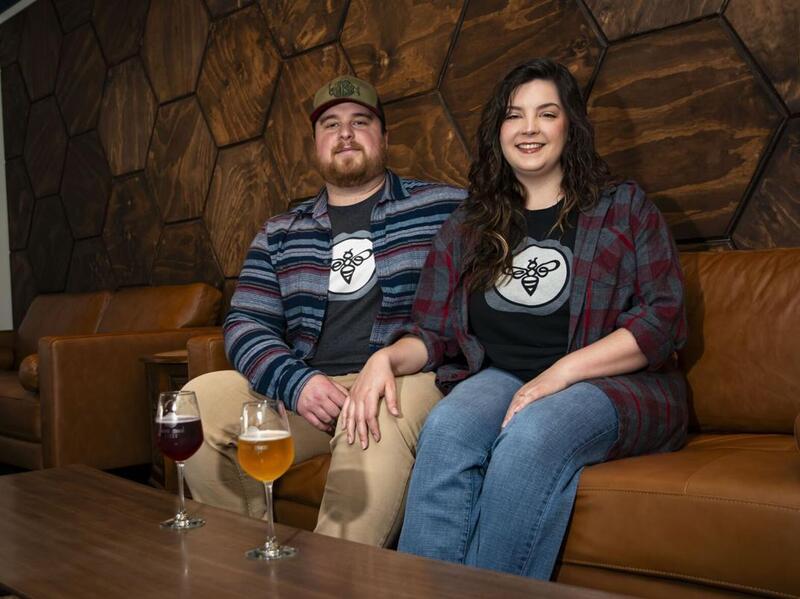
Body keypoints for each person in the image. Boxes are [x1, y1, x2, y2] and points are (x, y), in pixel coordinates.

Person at [346, 58, 687, 577]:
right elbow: (432, 333)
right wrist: (385, 360)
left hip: (617, 384)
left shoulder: (624, 208)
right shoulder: (469, 224)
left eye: (546, 114)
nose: (529, 128)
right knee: (447, 427)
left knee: (530, 436)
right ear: (497, 131)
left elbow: (662, 320)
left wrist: (561, 373)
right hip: (502, 376)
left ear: (569, 125)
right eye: (514, 115)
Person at [183, 75, 466, 548]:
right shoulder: (280, 232)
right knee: (200, 402)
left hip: (399, 381)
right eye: (331, 125)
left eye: (361, 122)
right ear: (316, 144)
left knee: (378, 416)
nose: (346, 134)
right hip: (311, 390)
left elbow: (479, 304)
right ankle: (248, 562)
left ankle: (329, 584)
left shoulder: (444, 208)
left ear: (384, 137)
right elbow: (246, 324)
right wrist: (298, 383)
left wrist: (396, 361)